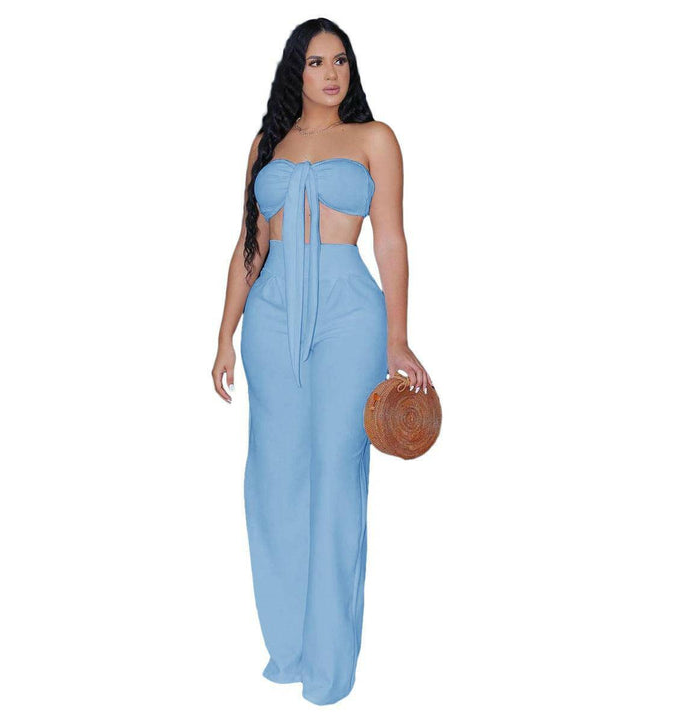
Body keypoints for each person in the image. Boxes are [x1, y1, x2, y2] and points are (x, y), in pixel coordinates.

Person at [212, 17, 433, 705]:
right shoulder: (266, 145)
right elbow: (249, 244)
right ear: (295, 71)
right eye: (316, 62)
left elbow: (390, 240)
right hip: (271, 318)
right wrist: (224, 334)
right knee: (273, 480)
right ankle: (289, 650)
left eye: (340, 60)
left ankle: (330, 667)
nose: (331, 73)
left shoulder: (374, 139)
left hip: (348, 317)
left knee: (337, 479)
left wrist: (398, 338)